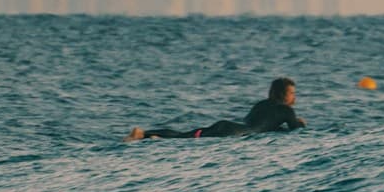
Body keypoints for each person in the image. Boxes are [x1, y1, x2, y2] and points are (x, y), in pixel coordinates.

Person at [128, 75, 307, 142]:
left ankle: (142, 134)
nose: (294, 97)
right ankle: (150, 137)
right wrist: (299, 123)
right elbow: (295, 131)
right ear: (283, 95)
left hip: (227, 125)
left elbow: (262, 124)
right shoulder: (287, 111)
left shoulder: (260, 104)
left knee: (184, 135)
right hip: (233, 135)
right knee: (184, 140)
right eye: (291, 93)